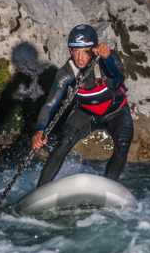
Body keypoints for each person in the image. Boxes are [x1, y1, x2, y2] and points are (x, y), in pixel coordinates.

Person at [32, 24, 133, 187]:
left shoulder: (109, 57)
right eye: (75, 50)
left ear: (94, 49)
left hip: (116, 112)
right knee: (63, 142)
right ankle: (40, 190)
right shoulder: (67, 72)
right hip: (85, 113)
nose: (79, 57)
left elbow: (116, 79)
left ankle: (108, 187)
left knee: (123, 143)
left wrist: (106, 59)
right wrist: (40, 130)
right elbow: (49, 104)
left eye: (85, 51)